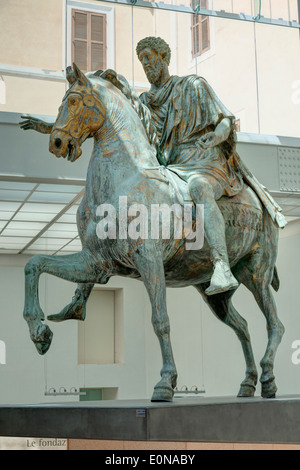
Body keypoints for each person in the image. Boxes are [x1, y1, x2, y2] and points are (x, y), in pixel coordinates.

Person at [136, 36, 286, 296]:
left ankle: (221, 265)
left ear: (163, 58)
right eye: (142, 60)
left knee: (199, 188)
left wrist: (216, 136)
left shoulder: (193, 85)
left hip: (205, 163)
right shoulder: (145, 102)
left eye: (149, 57)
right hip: (172, 168)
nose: (146, 64)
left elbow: (226, 121)